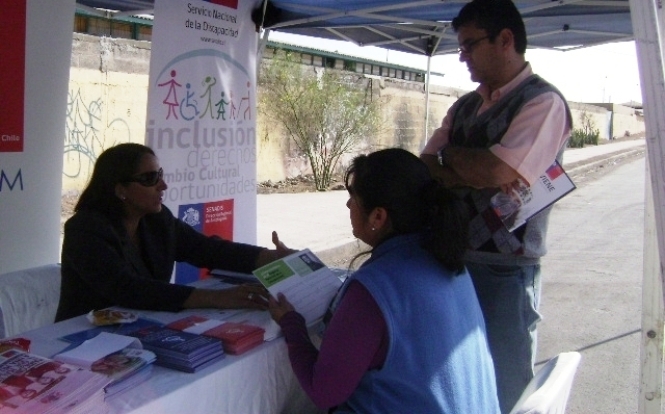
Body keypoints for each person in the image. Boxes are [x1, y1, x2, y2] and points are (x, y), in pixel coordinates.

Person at [419, 0, 572, 411]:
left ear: (506, 40)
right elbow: (426, 164)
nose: (462, 56)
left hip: (506, 270)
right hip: (452, 258)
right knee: (458, 378)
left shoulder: (543, 103)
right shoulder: (465, 105)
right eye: (461, 47)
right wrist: (463, 163)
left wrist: (453, 159)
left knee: (506, 388)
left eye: (469, 45)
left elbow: (496, 170)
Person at [268, 148, 499, 413]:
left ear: (378, 216)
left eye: (353, 197)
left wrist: (291, 325)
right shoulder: (450, 263)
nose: (348, 205)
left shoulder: (374, 288)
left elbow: (323, 391)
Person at [56, 143, 291, 322]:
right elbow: (127, 289)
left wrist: (273, 258)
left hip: (143, 326)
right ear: (120, 190)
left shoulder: (156, 220)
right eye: (150, 179)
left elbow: (208, 250)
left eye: (160, 174)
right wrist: (217, 297)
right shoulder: (85, 230)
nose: (163, 185)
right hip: (83, 337)